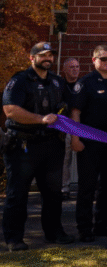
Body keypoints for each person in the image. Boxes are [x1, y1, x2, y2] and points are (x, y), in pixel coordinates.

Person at [2, 42, 75, 251]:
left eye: (51, 55)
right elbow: (10, 110)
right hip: (23, 145)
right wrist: (41, 119)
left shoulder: (58, 82)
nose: (48, 59)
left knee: (53, 194)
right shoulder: (19, 81)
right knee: (18, 193)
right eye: (43, 55)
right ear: (31, 58)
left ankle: (54, 233)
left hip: (52, 145)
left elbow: (69, 107)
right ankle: (14, 238)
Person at [70, 45, 107, 243]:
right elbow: (75, 112)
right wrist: (75, 138)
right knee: (87, 186)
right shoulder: (86, 83)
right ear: (94, 61)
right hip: (90, 142)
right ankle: (84, 228)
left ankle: (102, 223)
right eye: (103, 59)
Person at [59, 58, 79, 199]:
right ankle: (64, 188)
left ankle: (86, 185)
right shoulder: (59, 86)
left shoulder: (83, 85)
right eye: (71, 67)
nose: (75, 69)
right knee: (65, 158)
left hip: (82, 126)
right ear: (64, 70)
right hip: (65, 126)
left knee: (84, 158)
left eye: (77, 66)